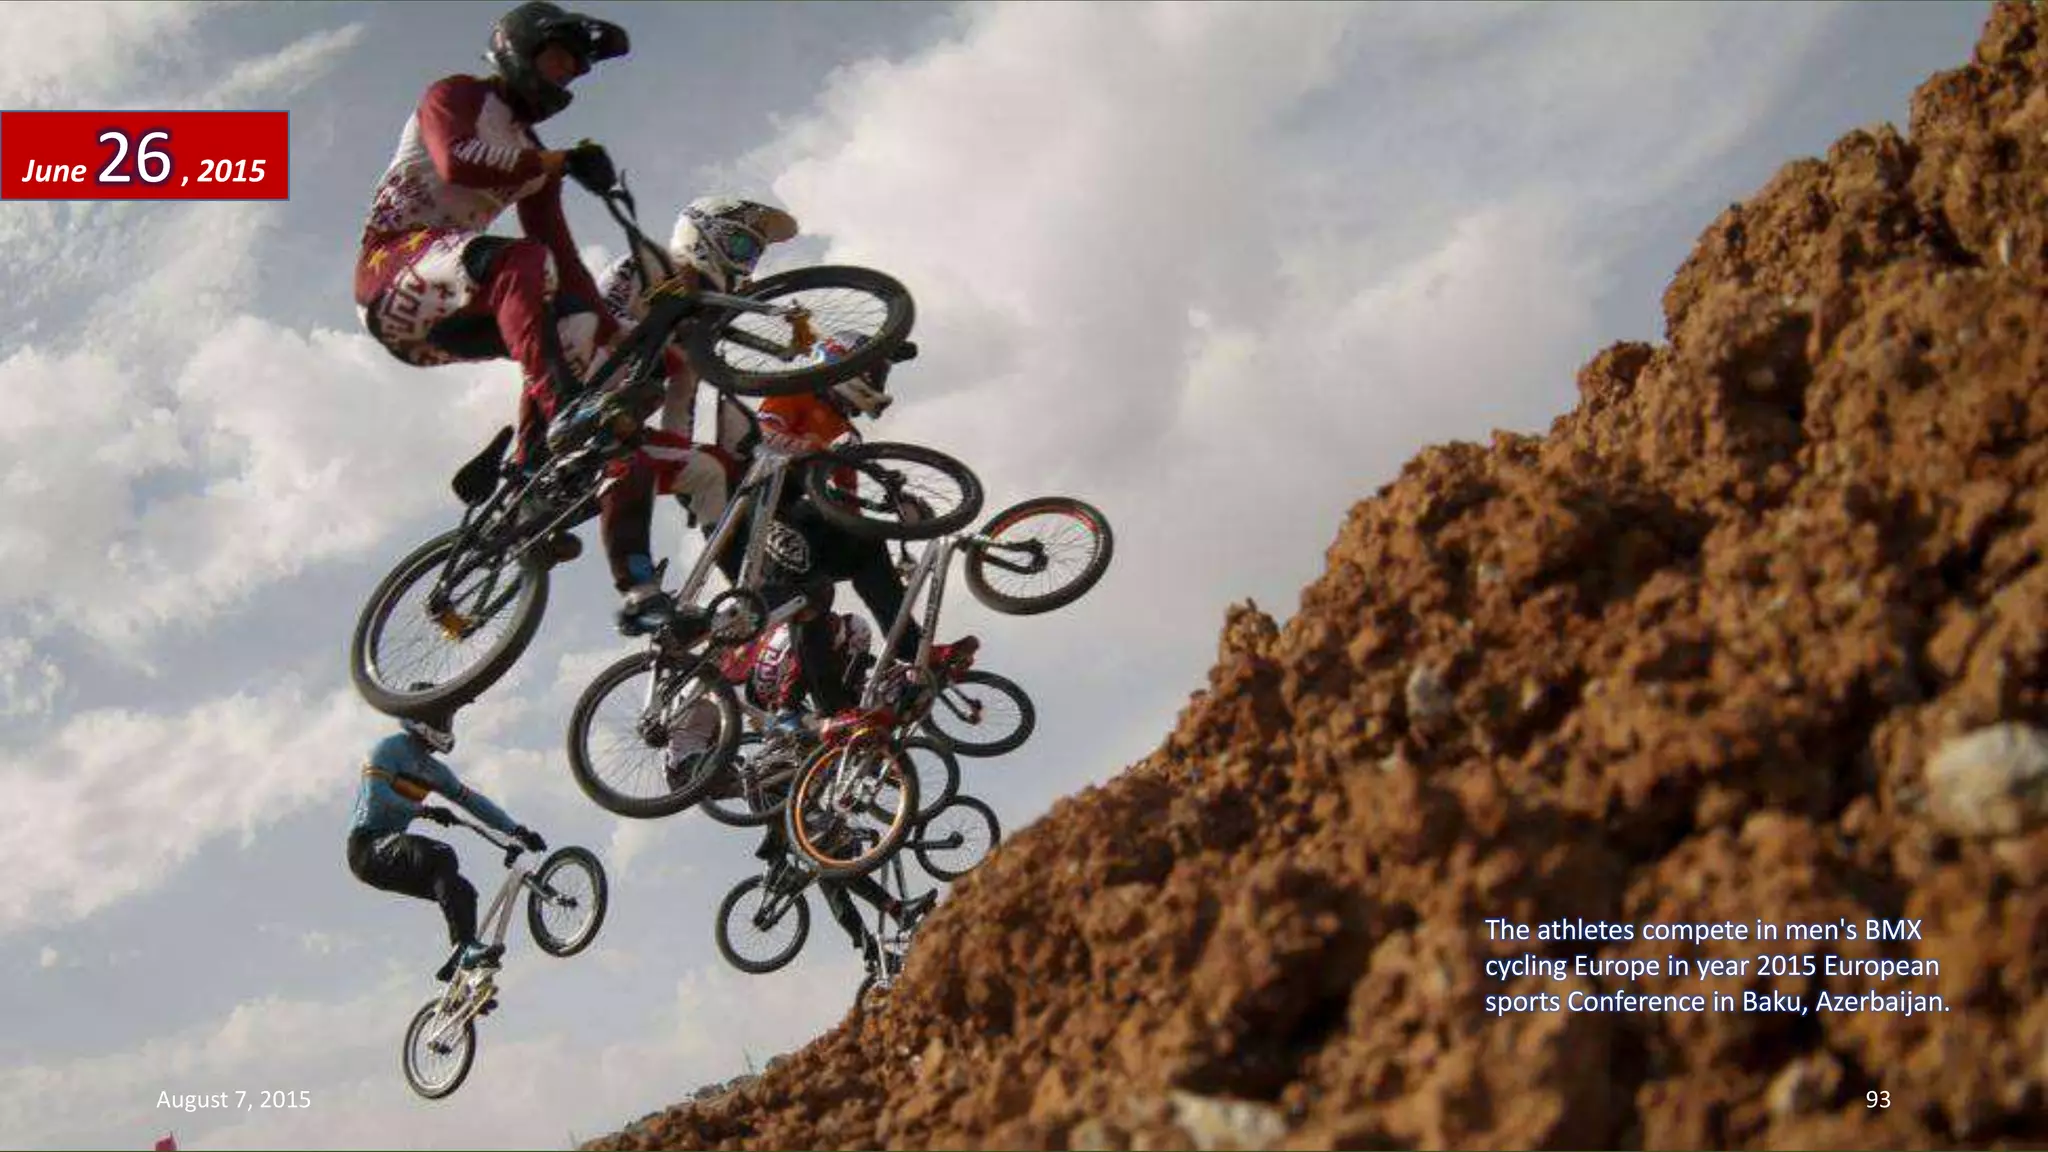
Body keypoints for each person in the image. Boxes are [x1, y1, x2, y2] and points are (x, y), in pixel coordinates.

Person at [353, 1, 631, 473]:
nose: (567, 75)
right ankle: (564, 409)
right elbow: (456, 160)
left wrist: (612, 330)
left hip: (444, 322)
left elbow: (563, 259)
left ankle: (530, 475)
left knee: (575, 326)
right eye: (561, 59)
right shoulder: (457, 93)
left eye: (575, 71)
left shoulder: (535, 156)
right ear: (521, 47)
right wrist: (558, 163)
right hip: (391, 271)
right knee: (521, 260)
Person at [584, 195, 800, 631]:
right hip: (582, 391)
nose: (746, 263)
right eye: (741, 248)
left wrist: (680, 452)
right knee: (653, 396)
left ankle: (744, 588)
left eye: (753, 254)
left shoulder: (696, 323)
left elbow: (681, 401)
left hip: (623, 420)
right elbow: (594, 324)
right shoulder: (646, 264)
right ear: (703, 235)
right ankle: (639, 595)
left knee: (712, 469)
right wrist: (662, 342)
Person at [346, 711, 549, 981]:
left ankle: (465, 979)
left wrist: (516, 830)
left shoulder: (434, 771)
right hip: (368, 847)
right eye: (442, 719)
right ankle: (464, 947)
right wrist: (424, 811)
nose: (446, 726)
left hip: (390, 850)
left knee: (463, 892)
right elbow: (378, 795)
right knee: (441, 855)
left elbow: (472, 802)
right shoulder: (389, 749)